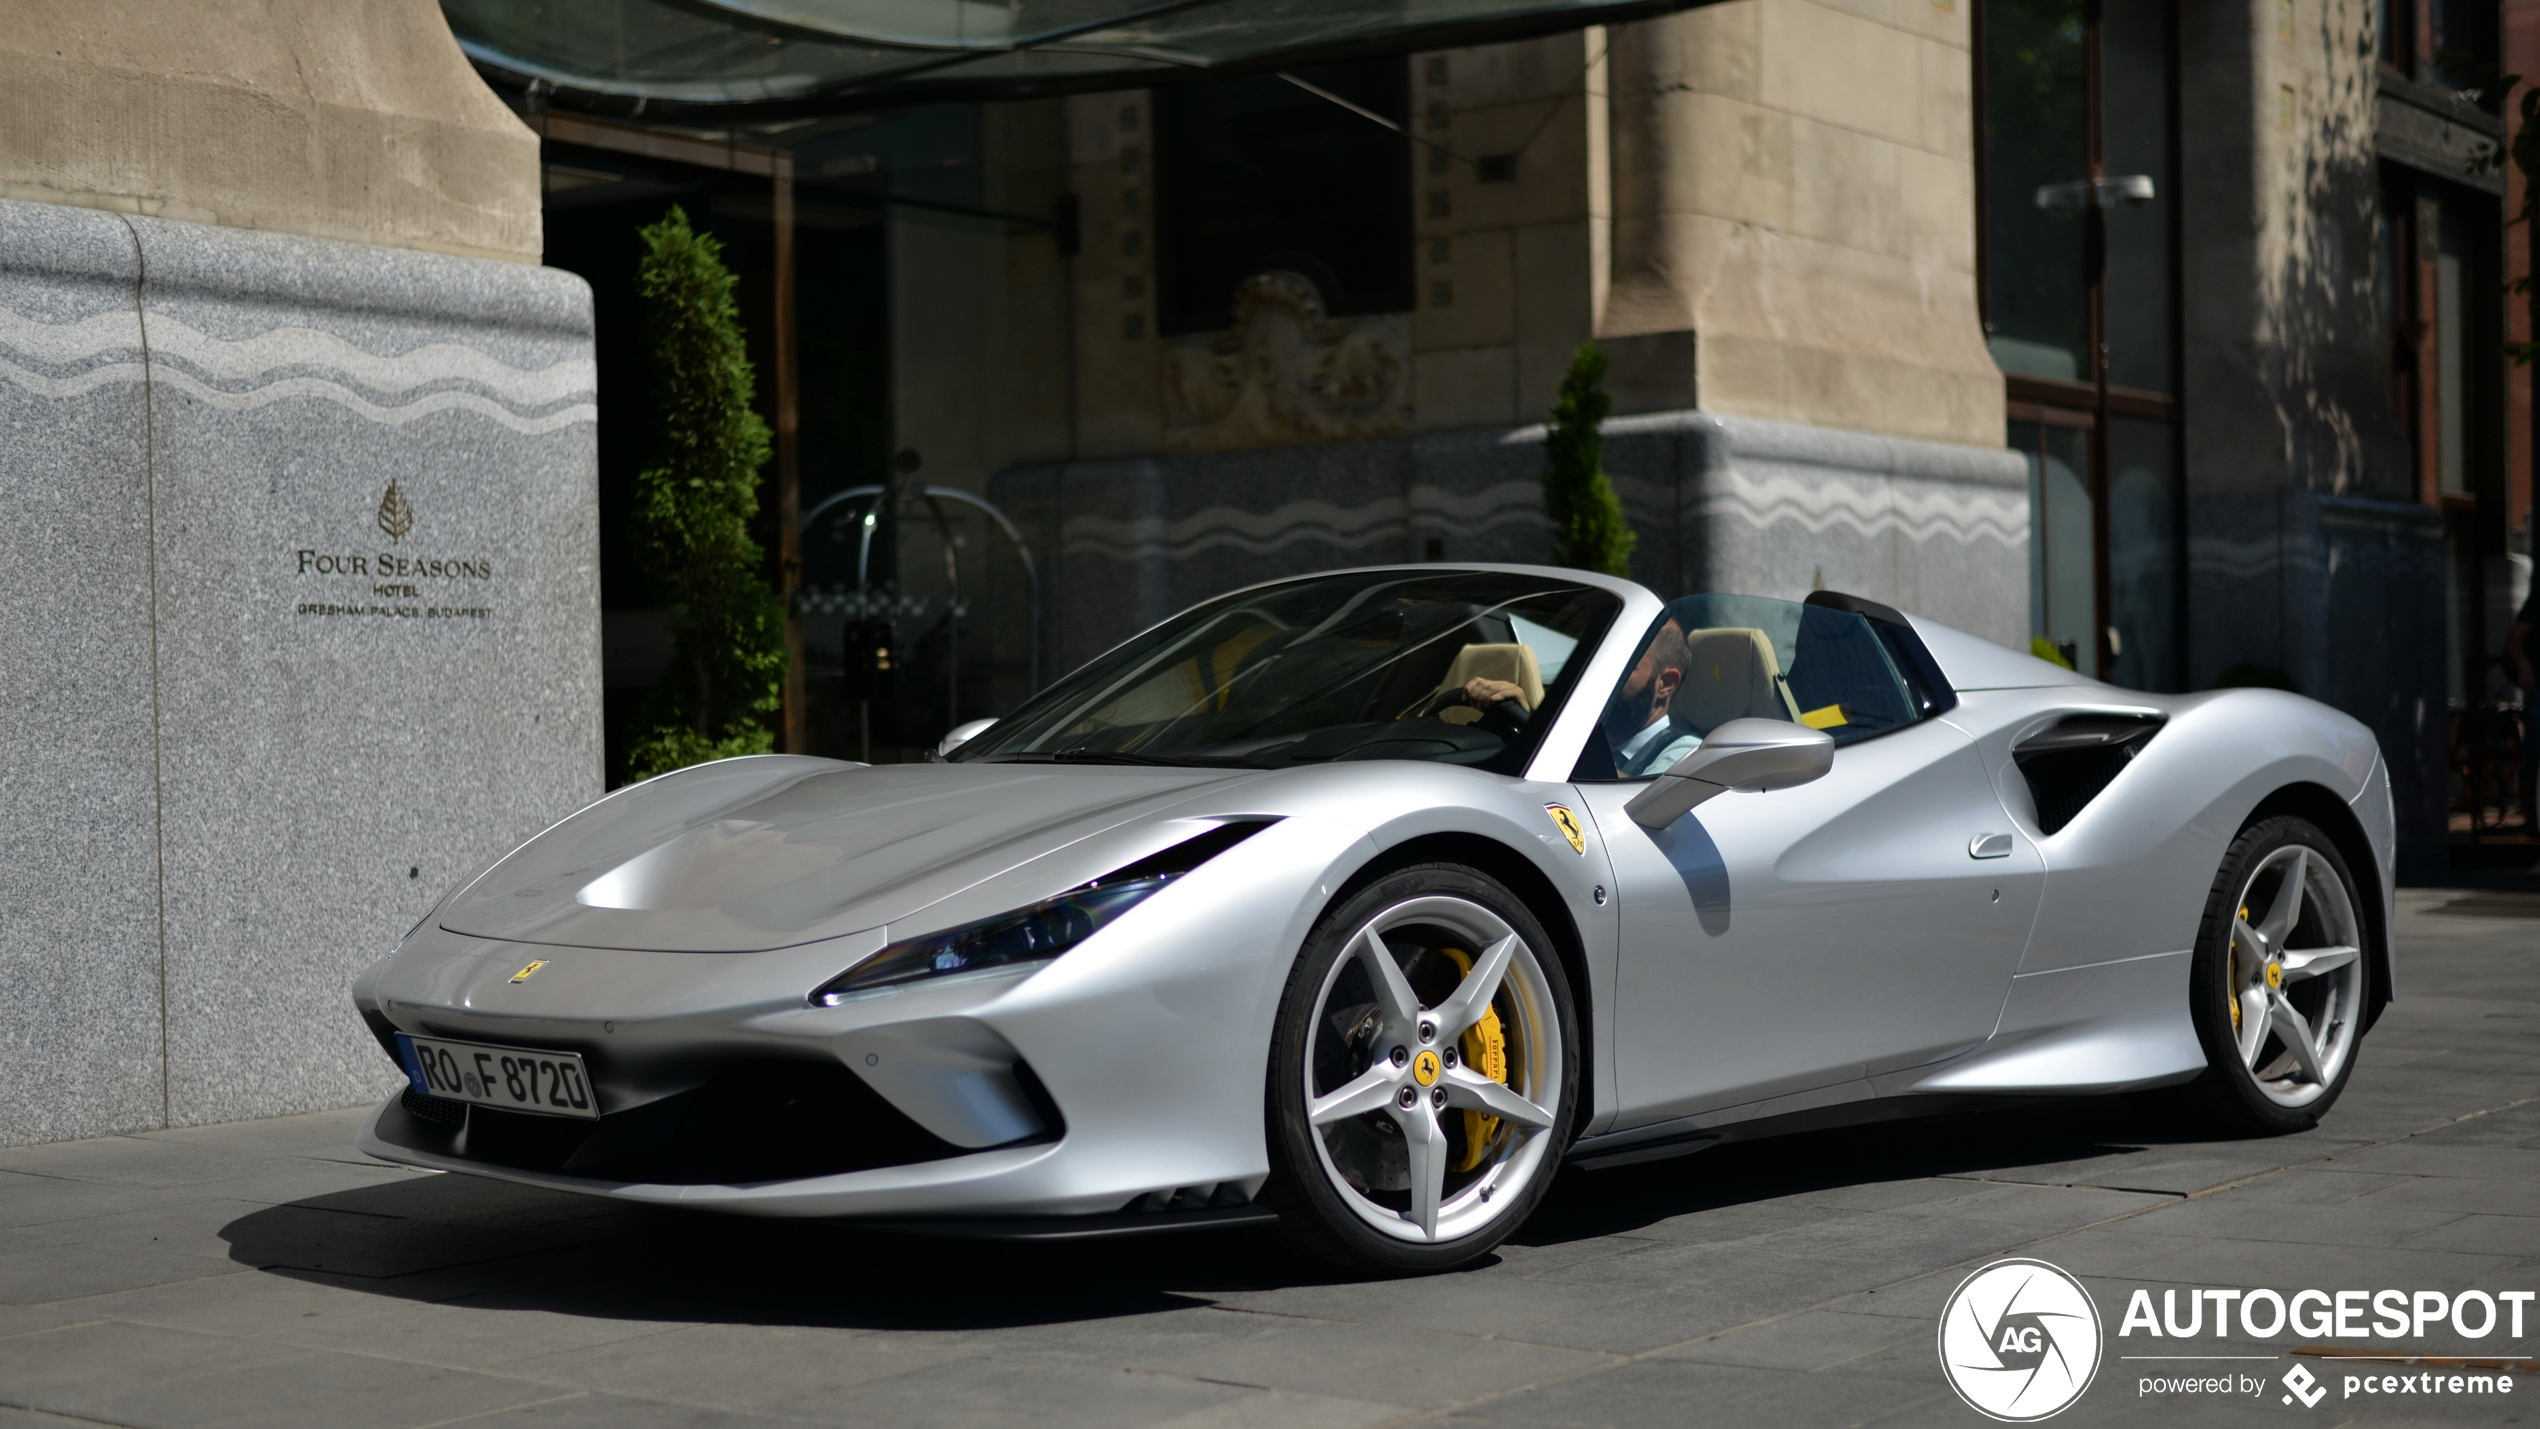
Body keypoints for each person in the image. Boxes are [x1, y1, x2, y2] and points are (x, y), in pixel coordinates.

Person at [1602, 619, 1704, 776]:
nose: (1606, 677)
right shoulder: (1590, 740)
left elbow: (1640, 798)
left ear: (1666, 684)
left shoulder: (1688, 754)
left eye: (1623, 666)